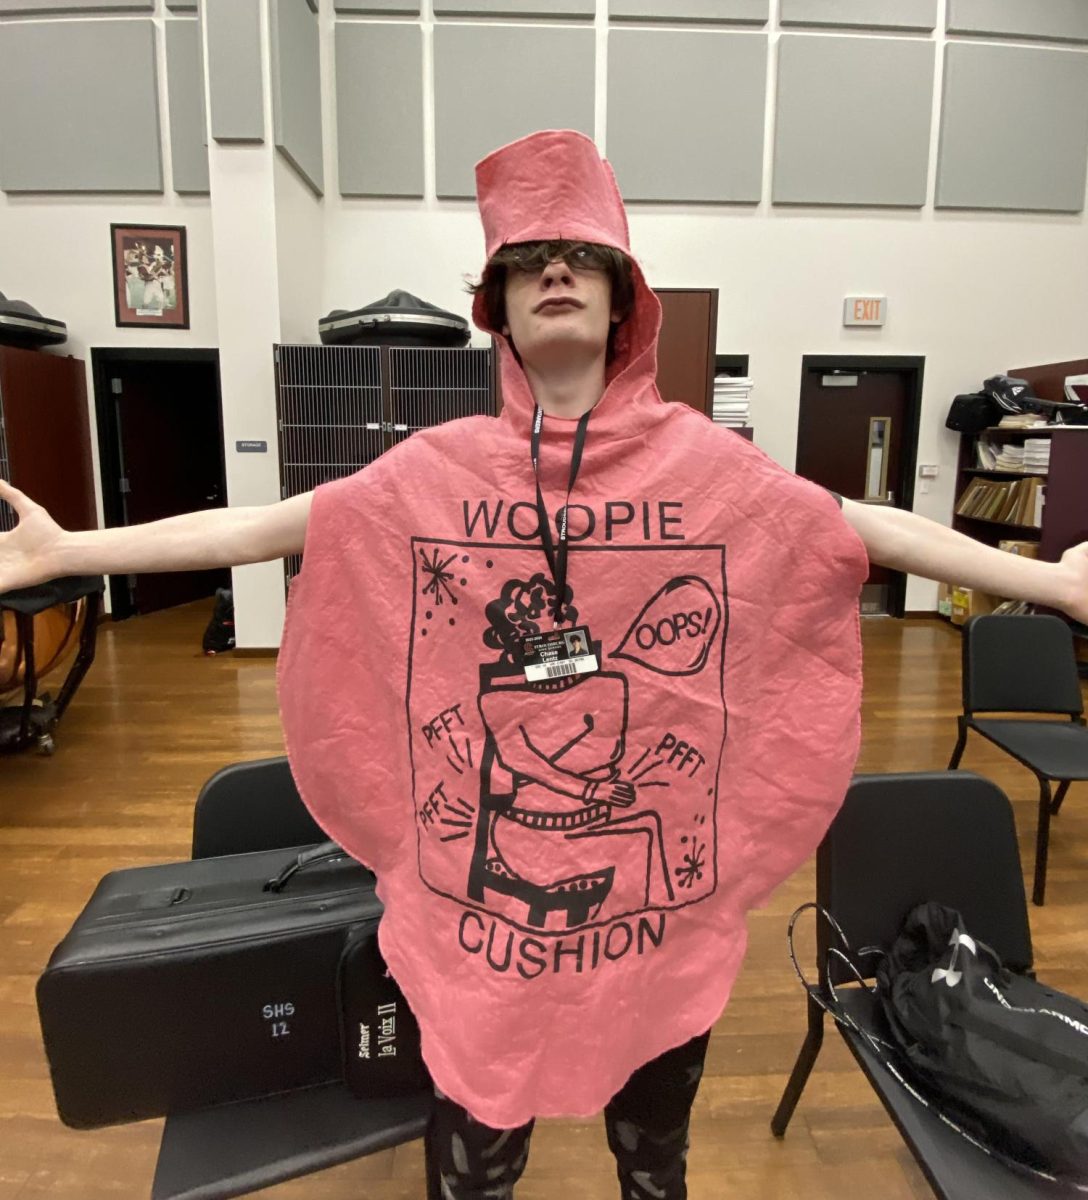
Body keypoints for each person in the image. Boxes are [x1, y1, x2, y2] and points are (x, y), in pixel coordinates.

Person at [1, 130, 1086, 1200]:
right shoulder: (429, 475)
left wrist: (1054, 585)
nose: (553, 272)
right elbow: (261, 528)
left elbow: (872, 528)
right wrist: (70, 552)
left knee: (653, 1166)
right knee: (474, 1169)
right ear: (499, 309)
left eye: (580, 257)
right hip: (481, 945)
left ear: (624, 302)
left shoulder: (713, 472)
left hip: (652, 940)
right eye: (526, 261)